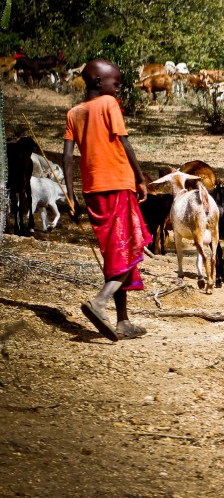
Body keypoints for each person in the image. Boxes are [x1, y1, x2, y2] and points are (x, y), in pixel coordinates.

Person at [63, 58, 152, 342]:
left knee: (116, 252)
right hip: (118, 186)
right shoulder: (108, 104)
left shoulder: (73, 113)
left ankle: (123, 320)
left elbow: (67, 158)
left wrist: (70, 193)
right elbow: (124, 144)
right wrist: (140, 178)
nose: (118, 89)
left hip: (92, 191)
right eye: (116, 83)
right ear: (99, 83)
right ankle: (100, 301)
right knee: (128, 248)